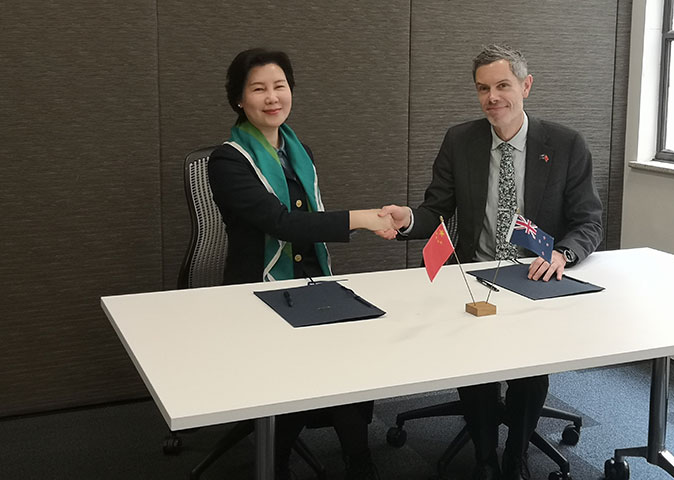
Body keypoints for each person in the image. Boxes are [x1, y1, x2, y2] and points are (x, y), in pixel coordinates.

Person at [379, 44, 603, 480]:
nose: (492, 98)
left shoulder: (565, 144)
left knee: (530, 370)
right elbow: (435, 210)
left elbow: (589, 222)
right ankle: (483, 457)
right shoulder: (460, 140)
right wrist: (408, 219)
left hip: (533, 274)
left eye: (503, 85)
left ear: (526, 86)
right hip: (475, 273)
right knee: (474, 366)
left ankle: (515, 455)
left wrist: (562, 253)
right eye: (483, 88)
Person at [208, 48, 387, 480]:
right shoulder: (228, 160)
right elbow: (282, 223)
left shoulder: (298, 150)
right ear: (239, 99)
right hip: (260, 289)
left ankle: (358, 463)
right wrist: (362, 220)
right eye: (259, 89)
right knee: (297, 374)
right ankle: (278, 463)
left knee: (348, 367)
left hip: (313, 283)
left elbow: (305, 219)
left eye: (280, 86)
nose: (272, 98)